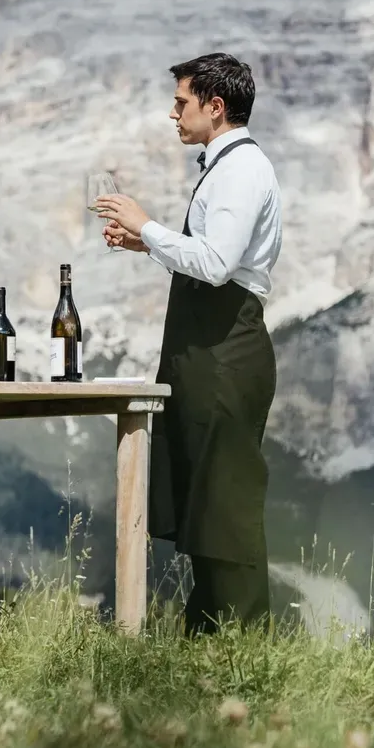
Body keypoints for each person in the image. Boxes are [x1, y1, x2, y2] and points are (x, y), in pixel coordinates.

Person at [96, 52, 282, 634]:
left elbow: (218, 263)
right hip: (210, 351)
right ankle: (211, 638)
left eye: (181, 103)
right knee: (207, 497)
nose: (172, 114)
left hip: (225, 351)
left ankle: (243, 640)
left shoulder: (240, 170)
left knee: (225, 499)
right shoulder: (226, 167)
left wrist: (146, 225)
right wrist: (146, 245)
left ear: (215, 106)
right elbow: (207, 256)